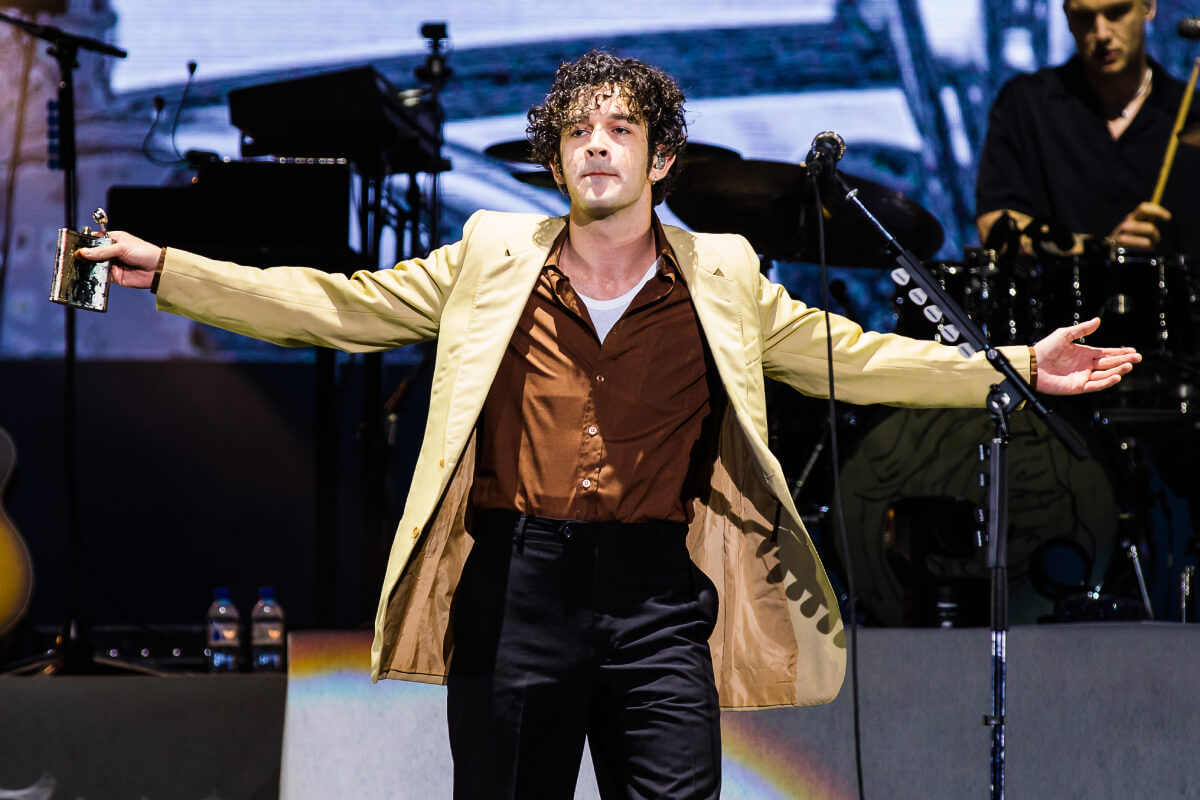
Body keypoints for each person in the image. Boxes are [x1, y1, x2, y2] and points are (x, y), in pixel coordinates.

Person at [81, 51, 1139, 800]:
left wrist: (1012, 365)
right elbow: (335, 304)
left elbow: (858, 354)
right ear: (555, 161)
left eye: (620, 129)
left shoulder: (724, 272)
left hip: (655, 599)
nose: (596, 145)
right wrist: (172, 269)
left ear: (661, 158)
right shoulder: (491, 251)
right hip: (516, 586)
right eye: (577, 131)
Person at [976, 0, 1200, 257]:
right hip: (1058, 296)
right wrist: (1101, 249)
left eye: (1117, 13)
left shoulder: (1191, 112)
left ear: (1148, 7)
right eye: (1084, 17)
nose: (1102, 33)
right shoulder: (1026, 105)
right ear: (1067, 17)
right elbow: (994, 228)